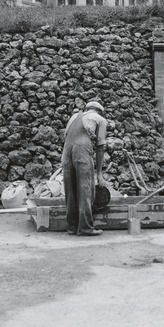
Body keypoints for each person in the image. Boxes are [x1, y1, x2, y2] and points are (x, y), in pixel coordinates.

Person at [61, 100, 107, 236]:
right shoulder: (100, 119)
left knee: (70, 190)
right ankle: (85, 228)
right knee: (85, 190)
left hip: (66, 153)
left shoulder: (74, 117)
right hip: (82, 151)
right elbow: (101, 147)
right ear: (99, 111)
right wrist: (99, 174)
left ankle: (72, 227)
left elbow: (66, 136)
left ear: (87, 109)